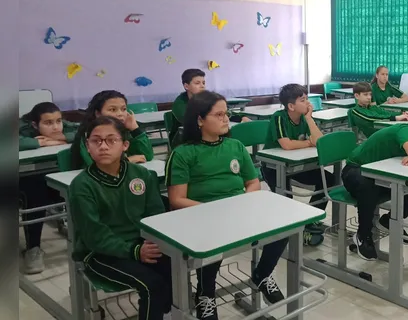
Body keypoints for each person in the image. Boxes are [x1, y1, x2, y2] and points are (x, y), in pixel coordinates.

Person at [166, 91, 286, 319]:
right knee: (213, 244)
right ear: (200, 120)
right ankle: (206, 295)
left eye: (226, 114)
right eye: (218, 114)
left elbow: (252, 183)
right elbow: (177, 199)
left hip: (237, 210)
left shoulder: (236, 146)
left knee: (283, 227)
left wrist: (243, 203)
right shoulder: (183, 153)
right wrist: (215, 211)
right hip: (202, 214)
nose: (225, 119)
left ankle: (262, 274)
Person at [69, 116, 171, 320]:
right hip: (99, 253)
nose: (103, 146)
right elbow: (94, 235)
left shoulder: (141, 174)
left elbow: (155, 215)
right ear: (87, 146)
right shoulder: (82, 185)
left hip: (141, 244)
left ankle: (163, 309)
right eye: (96, 141)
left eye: (111, 140)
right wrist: (134, 251)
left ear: (125, 145)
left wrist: (151, 244)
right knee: (152, 285)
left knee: (177, 266)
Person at [342, 108, 408, 261]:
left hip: (381, 174)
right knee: (369, 186)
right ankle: (363, 235)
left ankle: (390, 220)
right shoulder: (404, 129)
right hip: (355, 171)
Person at [261, 84, 334, 247]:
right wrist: (309, 143)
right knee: (286, 199)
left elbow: (320, 142)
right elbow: (286, 144)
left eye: (307, 98)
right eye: (303, 100)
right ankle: (282, 235)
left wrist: (309, 118)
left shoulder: (303, 118)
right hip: (274, 167)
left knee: (329, 181)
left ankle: (311, 222)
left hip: (297, 165)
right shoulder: (279, 117)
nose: (308, 103)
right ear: (291, 106)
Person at [18, 102, 77, 274]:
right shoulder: (22, 127)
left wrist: (61, 138)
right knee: (35, 192)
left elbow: (84, 131)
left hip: (54, 173)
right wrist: (39, 144)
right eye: (48, 123)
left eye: (58, 121)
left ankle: (70, 224)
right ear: (35, 125)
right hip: (25, 176)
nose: (56, 127)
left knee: (75, 184)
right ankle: (33, 248)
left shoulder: (61, 126)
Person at [71, 90, 154, 170]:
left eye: (124, 109)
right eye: (113, 110)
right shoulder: (89, 135)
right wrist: (128, 161)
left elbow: (146, 156)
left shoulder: (124, 132)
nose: (120, 114)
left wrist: (135, 129)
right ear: (98, 114)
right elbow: (96, 166)